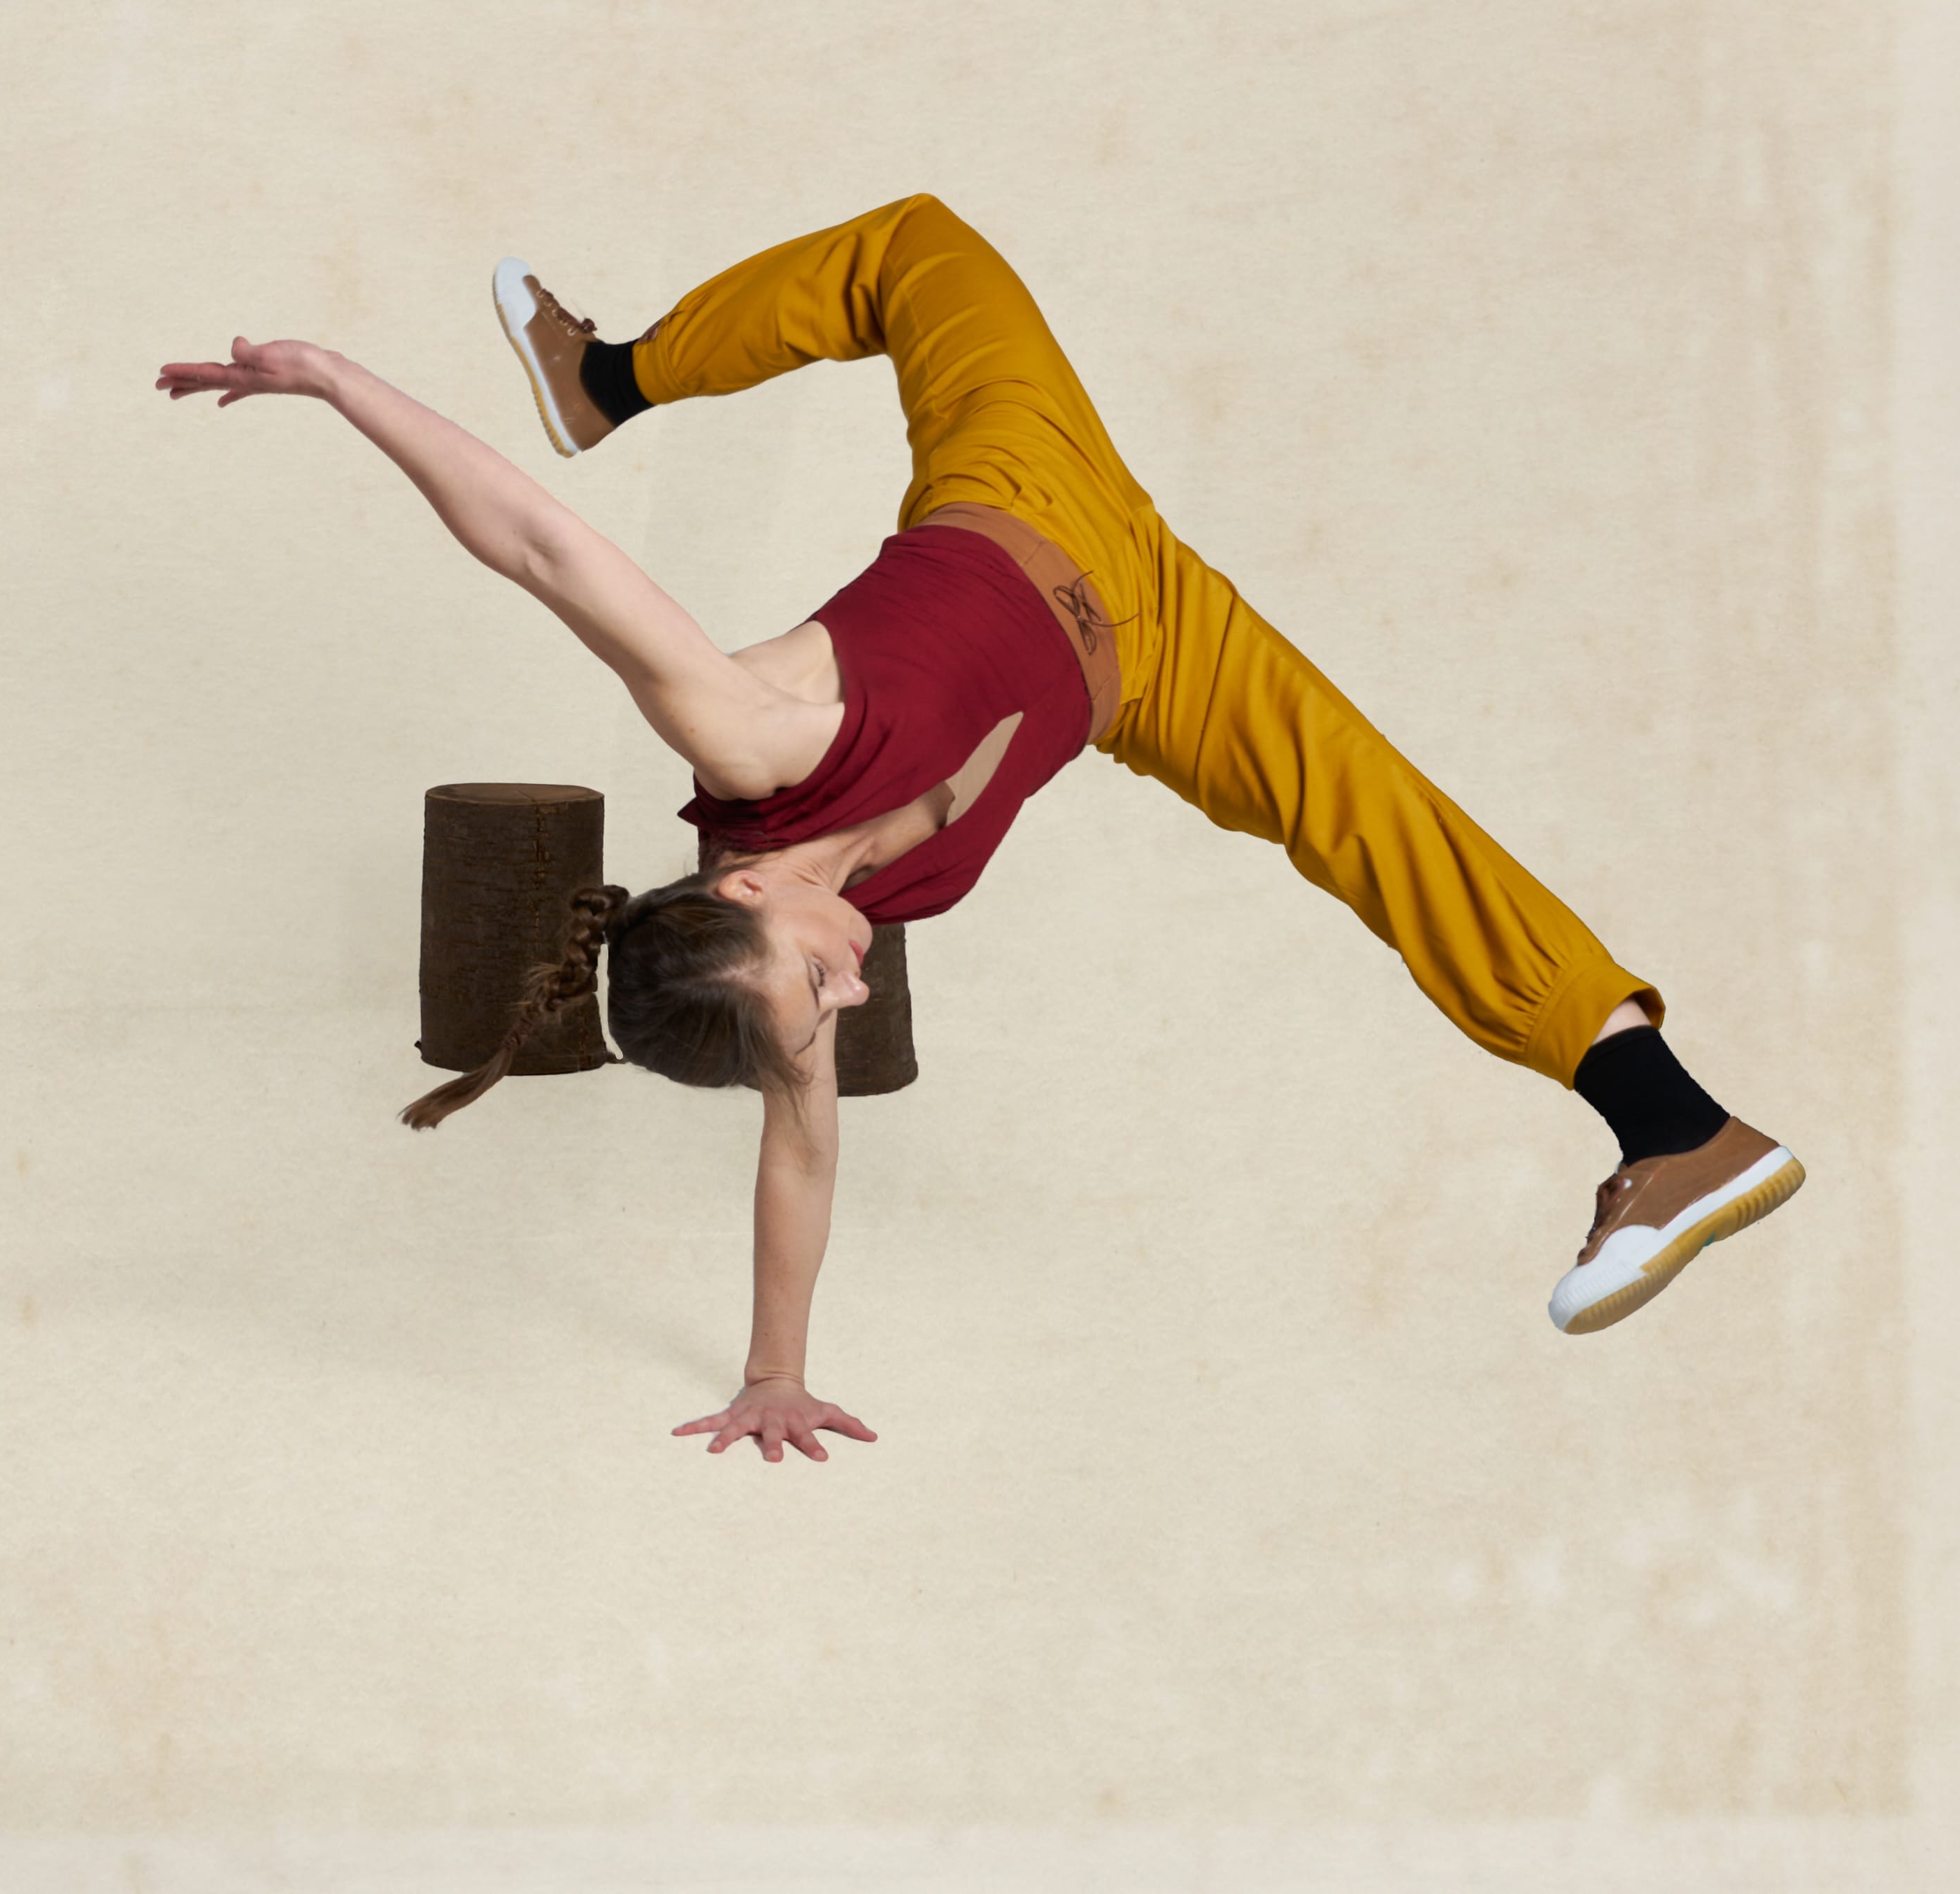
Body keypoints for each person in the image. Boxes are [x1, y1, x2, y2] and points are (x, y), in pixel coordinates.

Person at [157, 193, 1801, 1460]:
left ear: (741, 895)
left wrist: (332, 380)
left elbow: (541, 551)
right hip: (1154, 657)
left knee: (913, 247)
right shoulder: (798, 989)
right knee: (1388, 825)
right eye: (830, 1009)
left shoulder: (748, 731)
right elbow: (800, 1159)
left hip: (1023, 492)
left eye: (813, 982)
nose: (849, 990)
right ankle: (1670, 1127)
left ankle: (605, 379)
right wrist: (774, 1374)